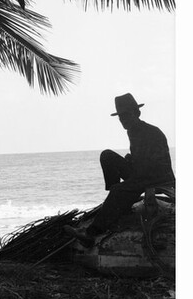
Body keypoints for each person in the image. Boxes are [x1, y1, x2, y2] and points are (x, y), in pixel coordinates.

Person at [65, 93, 175, 248]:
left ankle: (91, 234)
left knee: (119, 189)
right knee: (107, 156)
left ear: (136, 113)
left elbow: (152, 164)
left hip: (156, 176)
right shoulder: (134, 131)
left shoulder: (150, 132)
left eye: (126, 115)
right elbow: (140, 161)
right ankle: (115, 198)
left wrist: (131, 172)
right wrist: (131, 160)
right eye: (121, 117)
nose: (123, 119)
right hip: (142, 172)